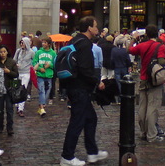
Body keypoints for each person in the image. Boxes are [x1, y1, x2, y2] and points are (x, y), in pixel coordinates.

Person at [60, 16, 108, 166]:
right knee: (77, 122)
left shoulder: (74, 40)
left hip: (73, 86)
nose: (97, 29)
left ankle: (92, 152)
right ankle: (67, 157)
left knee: (90, 119)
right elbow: (86, 69)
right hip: (80, 89)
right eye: (95, 26)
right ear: (89, 28)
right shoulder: (86, 44)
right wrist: (97, 82)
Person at [128, 24, 165, 143]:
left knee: (142, 107)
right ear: (157, 34)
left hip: (143, 78)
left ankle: (143, 132)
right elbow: (161, 61)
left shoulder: (141, 45)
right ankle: (151, 135)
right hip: (154, 79)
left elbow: (129, 50)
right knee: (152, 107)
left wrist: (134, 38)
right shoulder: (159, 46)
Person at [0, 45, 19, 136]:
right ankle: (0, 126)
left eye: (4, 51)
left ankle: (10, 127)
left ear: (7, 52)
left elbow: (16, 74)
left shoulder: (12, 62)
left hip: (9, 89)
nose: (3, 54)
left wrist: (9, 72)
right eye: (1, 52)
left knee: (9, 109)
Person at [32, 36, 56, 117]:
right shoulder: (38, 52)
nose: (43, 44)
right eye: (42, 42)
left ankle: (42, 104)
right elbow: (34, 62)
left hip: (49, 75)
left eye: (45, 42)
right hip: (40, 75)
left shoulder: (53, 53)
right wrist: (39, 68)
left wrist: (50, 65)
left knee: (48, 90)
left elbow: (55, 64)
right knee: (41, 90)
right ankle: (42, 107)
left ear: (49, 44)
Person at [13, 37, 34, 117]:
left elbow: (35, 61)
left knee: (23, 89)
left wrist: (32, 67)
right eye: (21, 42)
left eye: (23, 42)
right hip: (17, 73)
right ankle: (17, 103)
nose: (21, 44)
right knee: (15, 88)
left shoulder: (31, 52)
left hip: (26, 73)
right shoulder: (18, 51)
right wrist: (15, 65)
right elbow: (14, 60)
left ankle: (21, 109)